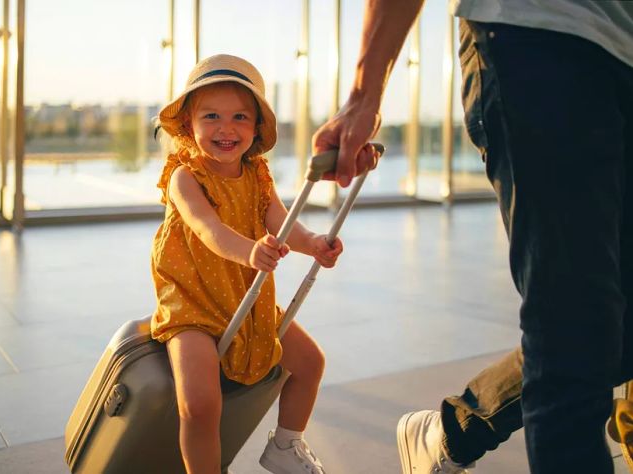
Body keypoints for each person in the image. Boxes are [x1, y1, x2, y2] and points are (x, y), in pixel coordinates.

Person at [312, 1, 633, 473]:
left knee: (616, 329)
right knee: (573, 321)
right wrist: (365, 93)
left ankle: (453, 431)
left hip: (622, 58)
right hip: (533, 38)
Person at [151, 54, 344, 474]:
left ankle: (286, 445)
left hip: (245, 297)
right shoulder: (185, 177)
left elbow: (280, 220)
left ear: (257, 128)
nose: (227, 128)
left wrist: (314, 243)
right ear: (189, 125)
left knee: (310, 363)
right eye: (212, 116)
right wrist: (249, 251)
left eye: (241, 116)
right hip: (194, 306)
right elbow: (207, 229)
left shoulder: (256, 174)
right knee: (200, 403)